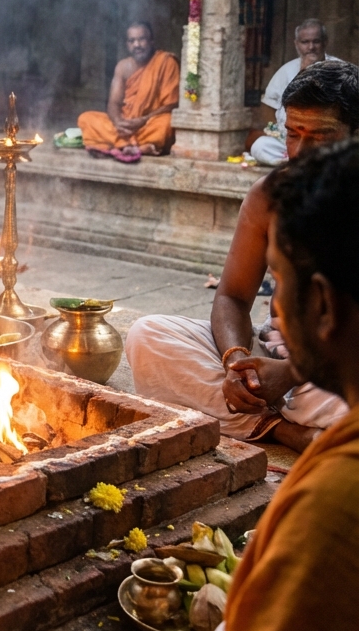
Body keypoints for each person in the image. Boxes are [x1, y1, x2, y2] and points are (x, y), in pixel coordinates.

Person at [0, 140, 359, 631]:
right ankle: (279, 425)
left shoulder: (336, 504)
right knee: (152, 335)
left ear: (321, 303)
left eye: (280, 284)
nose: (274, 311)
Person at [125, 60, 357, 451]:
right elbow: (232, 295)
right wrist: (237, 364)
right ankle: (282, 429)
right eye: (293, 134)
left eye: (321, 137)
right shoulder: (269, 195)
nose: (301, 152)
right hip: (277, 349)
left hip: (338, 368)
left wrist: (290, 373)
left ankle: (272, 418)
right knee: (146, 336)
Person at [77, 22, 180, 161]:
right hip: (125, 125)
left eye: (141, 39)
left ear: (151, 41)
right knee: (86, 118)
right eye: (132, 41)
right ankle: (138, 146)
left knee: (167, 122)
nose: (137, 45)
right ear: (127, 44)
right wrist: (118, 122)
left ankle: (118, 145)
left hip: (150, 123)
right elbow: (113, 103)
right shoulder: (123, 66)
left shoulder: (166, 62)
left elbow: (171, 104)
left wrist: (143, 120)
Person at [250, 19, 343, 166]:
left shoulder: (340, 69)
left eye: (316, 41)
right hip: (290, 141)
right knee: (260, 146)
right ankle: (296, 162)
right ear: (296, 44)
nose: (311, 47)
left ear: (325, 42)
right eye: (305, 42)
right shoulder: (285, 71)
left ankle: (299, 163)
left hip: (323, 140)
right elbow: (269, 108)